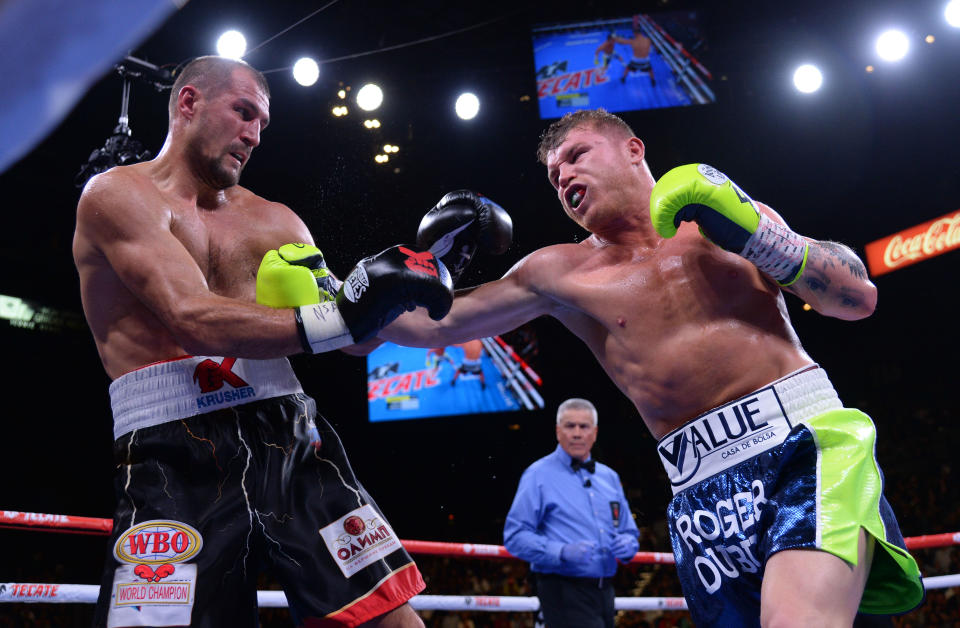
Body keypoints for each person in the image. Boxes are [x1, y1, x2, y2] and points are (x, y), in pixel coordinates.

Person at [379, 108, 924, 625]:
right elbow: (425, 326)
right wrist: (376, 287)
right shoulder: (559, 273)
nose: (562, 174)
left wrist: (761, 238)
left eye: (576, 154)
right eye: (553, 174)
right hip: (700, 491)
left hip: (802, 445)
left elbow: (856, 298)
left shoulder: (718, 220)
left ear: (633, 149)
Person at [72, 55, 457, 627]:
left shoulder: (278, 222)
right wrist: (346, 320)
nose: (254, 134)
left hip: (286, 431)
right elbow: (191, 316)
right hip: (172, 447)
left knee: (387, 618)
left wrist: (416, 283)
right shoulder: (118, 195)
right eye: (244, 112)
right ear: (188, 103)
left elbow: (350, 337)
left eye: (263, 124)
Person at [504, 398, 640, 628]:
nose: (577, 433)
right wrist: (561, 552)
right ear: (558, 431)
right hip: (562, 589)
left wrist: (629, 543)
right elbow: (514, 536)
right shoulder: (538, 475)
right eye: (570, 426)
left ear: (594, 433)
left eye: (584, 426)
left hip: (606, 589)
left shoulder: (609, 477)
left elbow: (629, 530)